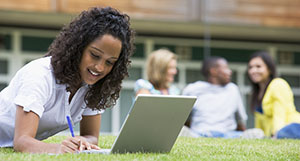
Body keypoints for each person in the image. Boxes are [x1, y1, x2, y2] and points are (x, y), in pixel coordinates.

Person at [0, 7, 135, 153]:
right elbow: (22, 142)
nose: (100, 67)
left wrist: (83, 141)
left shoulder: (93, 84)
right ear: (78, 47)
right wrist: (59, 148)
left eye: (110, 62)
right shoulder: (40, 75)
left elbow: (91, 136)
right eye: (95, 55)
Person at [182, 56, 248, 138]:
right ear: (213, 71)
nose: (230, 72)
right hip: (199, 134)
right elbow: (183, 119)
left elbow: (240, 121)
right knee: (182, 132)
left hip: (229, 135)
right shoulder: (193, 89)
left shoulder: (233, 89)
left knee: (256, 134)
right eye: (226, 68)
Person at [247, 51, 300, 138]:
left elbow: (280, 111)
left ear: (270, 69)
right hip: (274, 134)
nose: (253, 70)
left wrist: (276, 133)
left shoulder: (278, 84)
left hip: (291, 128)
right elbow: (259, 124)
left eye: (258, 67)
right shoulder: (255, 92)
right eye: (250, 67)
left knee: (283, 133)